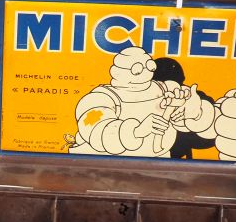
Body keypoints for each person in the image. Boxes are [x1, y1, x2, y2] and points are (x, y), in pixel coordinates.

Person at [70, 47, 213, 157]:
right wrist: (136, 131)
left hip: (158, 163)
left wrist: (194, 112)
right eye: (137, 69)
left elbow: (213, 123)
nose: (146, 71)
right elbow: (96, 129)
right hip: (103, 164)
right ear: (117, 72)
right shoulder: (102, 97)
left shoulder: (165, 89)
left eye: (149, 65)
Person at [151, 58, 217, 160]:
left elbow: (210, 138)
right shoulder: (139, 97)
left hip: (180, 159)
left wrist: (197, 116)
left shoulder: (193, 97)